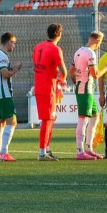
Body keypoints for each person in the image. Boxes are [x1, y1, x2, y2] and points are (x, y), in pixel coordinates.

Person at [70, 31, 107, 160]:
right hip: (85, 89)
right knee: (83, 119)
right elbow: (95, 74)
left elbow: (71, 71)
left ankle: (89, 148)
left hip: (85, 88)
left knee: (95, 116)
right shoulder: (90, 53)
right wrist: (106, 68)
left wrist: (77, 82)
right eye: (100, 42)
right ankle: (80, 151)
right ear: (97, 41)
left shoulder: (79, 51)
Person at [33, 22, 68, 161]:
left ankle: (47, 149)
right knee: (47, 119)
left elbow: (37, 65)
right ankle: (42, 153)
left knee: (51, 118)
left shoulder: (38, 47)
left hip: (39, 86)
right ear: (59, 33)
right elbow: (63, 71)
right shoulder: (55, 49)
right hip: (49, 89)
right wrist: (61, 81)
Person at [0, 32, 22, 162]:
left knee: (0, 122)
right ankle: (4, 152)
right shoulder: (1, 55)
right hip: (4, 93)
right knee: (12, 121)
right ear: (8, 42)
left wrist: (12, 68)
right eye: (13, 43)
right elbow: (5, 74)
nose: (14, 45)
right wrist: (16, 69)